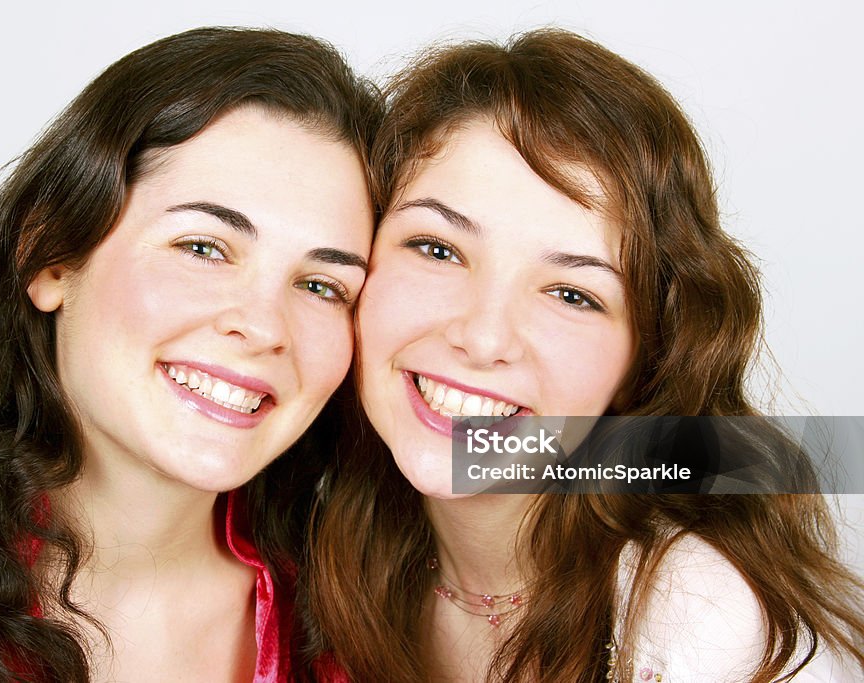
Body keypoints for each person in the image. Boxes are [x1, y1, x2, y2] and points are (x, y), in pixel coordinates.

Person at [307, 29, 864, 682]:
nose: (484, 337)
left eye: (572, 294)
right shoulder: (320, 526)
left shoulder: (704, 623)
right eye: (437, 248)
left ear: (648, 357)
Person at [0, 27, 379, 682]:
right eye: (203, 247)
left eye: (322, 286)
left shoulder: (355, 631)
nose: (266, 326)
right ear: (50, 258)